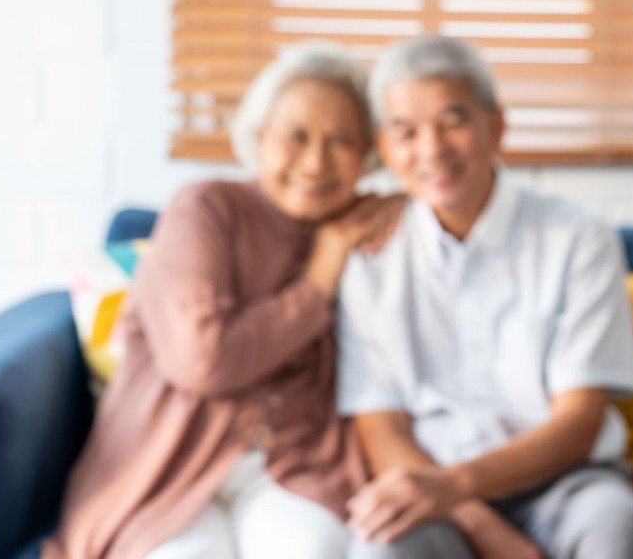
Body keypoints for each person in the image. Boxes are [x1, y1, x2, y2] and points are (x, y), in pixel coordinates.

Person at [46, 41, 403, 559]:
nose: (316, 161)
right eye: (296, 136)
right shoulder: (207, 209)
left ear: (367, 155)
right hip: (166, 465)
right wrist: (320, 273)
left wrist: (403, 204)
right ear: (260, 139)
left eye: (341, 140)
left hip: (295, 466)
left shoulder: (362, 224)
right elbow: (204, 361)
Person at [336, 35, 633, 559]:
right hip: (430, 484)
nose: (432, 149)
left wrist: (458, 488)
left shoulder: (579, 238)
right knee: (381, 547)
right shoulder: (368, 257)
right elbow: (381, 426)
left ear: (496, 126)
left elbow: (577, 424)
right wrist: (477, 519)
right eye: (406, 132)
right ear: (385, 147)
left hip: (565, 481)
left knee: (617, 532)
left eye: (453, 121)